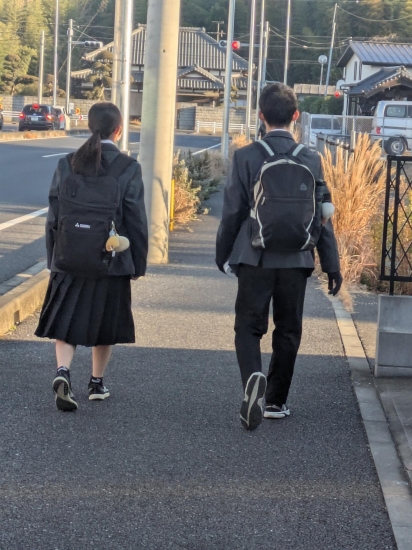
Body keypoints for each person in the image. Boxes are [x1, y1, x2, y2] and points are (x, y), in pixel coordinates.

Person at [216, 83, 342, 431]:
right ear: (296, 116)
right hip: (297, 258)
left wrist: (223, 253)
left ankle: (252, 380)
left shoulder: (246, 156)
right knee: (288, 330)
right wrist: (331, 264)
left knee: (248, 326)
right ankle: (275, 401)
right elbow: (322, 214)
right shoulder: (311, 158)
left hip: (253, 255)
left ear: (261, 115)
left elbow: (232, 212)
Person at [35, 102, 148, 412]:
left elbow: (54, 216)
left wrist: (53, 258)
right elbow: (136, 220)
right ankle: (97, 383)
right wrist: (137, 263)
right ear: (119, 129)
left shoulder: (67, 163)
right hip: (111, 258)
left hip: (69, 256)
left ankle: (63, 371)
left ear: (89, 126)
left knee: (65, 320)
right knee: (105, 321)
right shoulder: (128, 167)